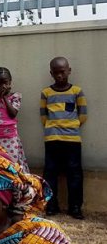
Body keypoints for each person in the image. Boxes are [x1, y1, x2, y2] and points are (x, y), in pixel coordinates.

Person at [40, 57, 87, 219]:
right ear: (51, 73)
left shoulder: (77, 91)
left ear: (69, 71)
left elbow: (83, 114)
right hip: (52, 139)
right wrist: (52, 127)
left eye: (63, 72)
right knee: (50, 173)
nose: (60, 75)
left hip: (72, 140)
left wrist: (72, 126)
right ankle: (51, 206)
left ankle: (75, 207)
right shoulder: (46, 92)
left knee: (74, 173)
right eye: (56, 72)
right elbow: (43, 115)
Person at [0, 67, 30, 172]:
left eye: (4, 82)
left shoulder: (15, 96)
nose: (2, 86)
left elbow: (13, 114)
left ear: (10, 82)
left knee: (12, 164)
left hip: (10, 138)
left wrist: (4, 97)